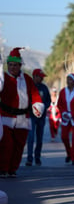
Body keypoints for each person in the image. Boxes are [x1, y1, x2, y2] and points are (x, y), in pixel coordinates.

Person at [0, 48, 44, 177]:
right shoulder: (3, 78)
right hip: (5, 117)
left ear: (20, 65)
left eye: (15, 65)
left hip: (23, 119)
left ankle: (12, 169)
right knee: (6, 145)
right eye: (10, 64)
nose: (12, 67)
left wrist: (38, 105)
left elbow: (35, 94)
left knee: (19, 146)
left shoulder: (27, 79)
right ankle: (3, 169)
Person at [26, 68, 51, 166]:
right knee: (31, 137)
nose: (42, 79)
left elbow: (48, 100)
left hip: (41, 117)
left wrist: (44, 106)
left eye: (42, 77)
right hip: (31, 116)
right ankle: (29, 158)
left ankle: (37, 157)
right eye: (40, 77)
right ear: (35, 76)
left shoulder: (44, 88)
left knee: (39, 138)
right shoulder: (29, 86)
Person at [57, 73, 74, 165]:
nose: (68, 81)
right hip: (65, 117)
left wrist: (72, 114)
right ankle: (69, 153)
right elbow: (59, 104)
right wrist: (64, 112)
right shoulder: (62, 91)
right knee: (64, 136)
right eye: (67, 79)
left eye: (70, 80)